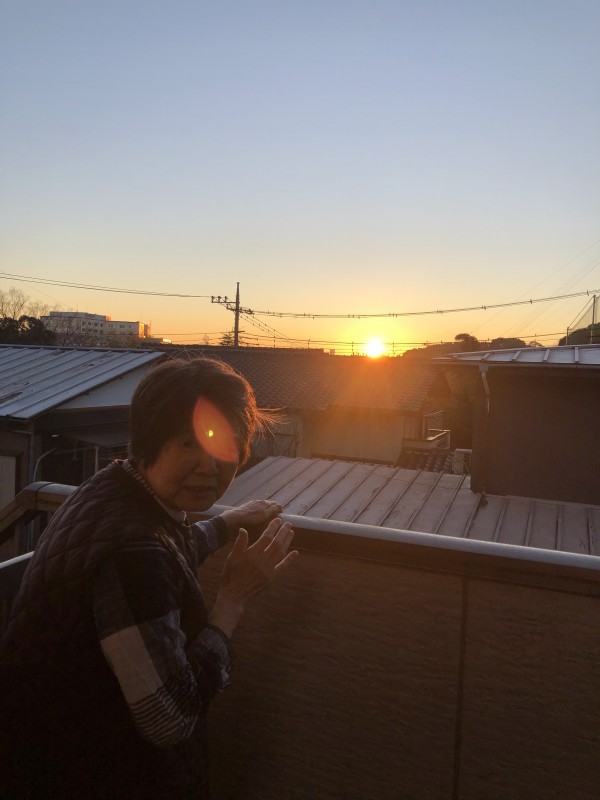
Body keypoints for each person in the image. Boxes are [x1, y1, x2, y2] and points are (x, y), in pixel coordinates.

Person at [0, 357, 298, 799]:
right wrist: (233, 598)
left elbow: (165, 549)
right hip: (81, 774)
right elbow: (169, 719)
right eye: (188, 443)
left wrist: (225, 523)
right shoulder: (133, 555)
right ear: (148, 442)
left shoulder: (112, 487)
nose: (209, 466)